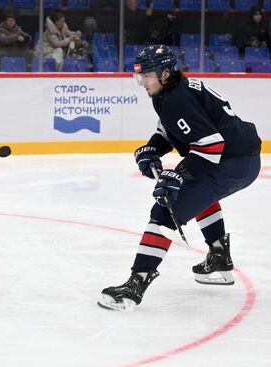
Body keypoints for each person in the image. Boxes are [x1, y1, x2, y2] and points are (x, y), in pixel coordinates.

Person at [97, 45, 261, 312]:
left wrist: (179, 173)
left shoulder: (175, 98)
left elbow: (210, 147)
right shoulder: (169, 91)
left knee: (164, 209)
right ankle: (219, 257)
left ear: (163, 73)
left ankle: (135, 285)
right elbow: (170, 129)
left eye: (146, 76)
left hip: (231, 161)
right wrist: (152, 147)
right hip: (242, 159)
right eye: (140, 75)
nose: (142, 82)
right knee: (199, 195)